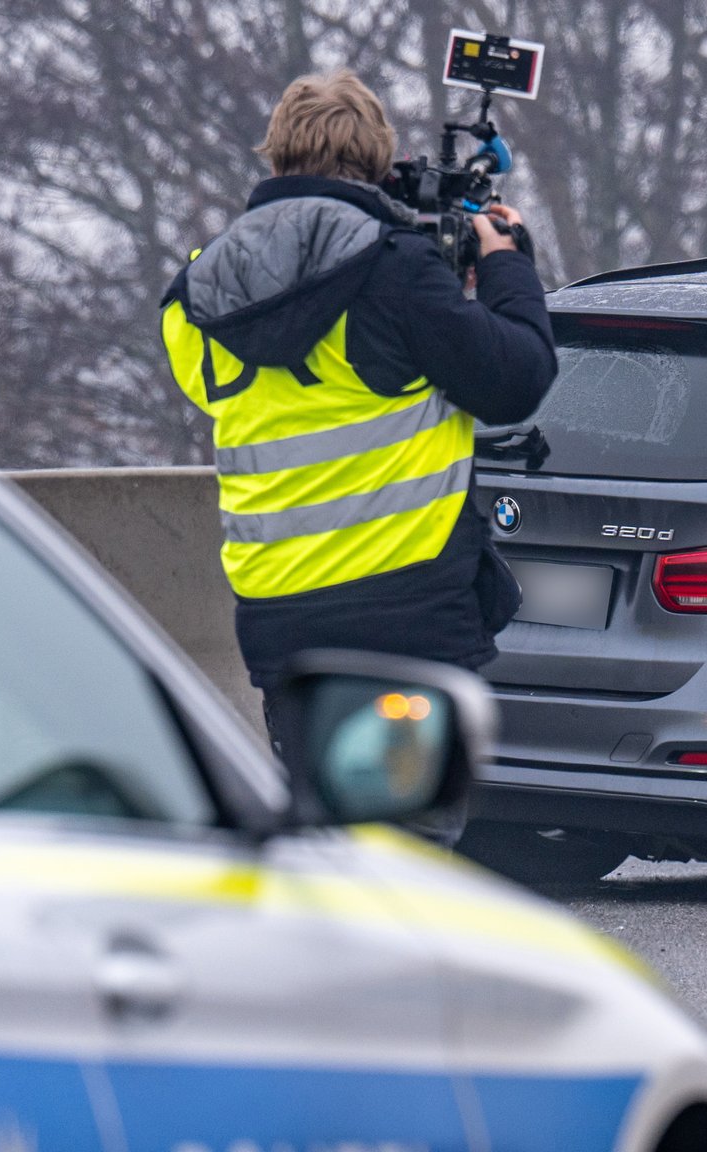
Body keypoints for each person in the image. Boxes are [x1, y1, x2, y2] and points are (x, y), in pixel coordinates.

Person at [160, 71, 555, 763]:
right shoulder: (396, 271)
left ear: (276, 156)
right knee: (409, 843)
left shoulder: (195, 295)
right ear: (376, 158)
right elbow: (514, 379)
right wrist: (505, 267)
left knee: (321, 832)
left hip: (279, 620)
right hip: (407, 615)